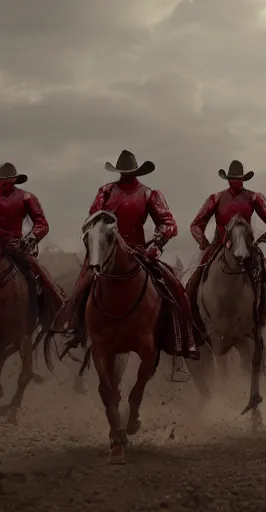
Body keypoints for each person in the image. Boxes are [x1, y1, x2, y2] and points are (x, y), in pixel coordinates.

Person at [55, 150, 199, 359]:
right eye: (124, 171)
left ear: (136, 172)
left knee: (176, 288)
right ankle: (75, 327)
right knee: (82, 285)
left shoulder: (149, 194)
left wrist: (158, 241)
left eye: (129, 171)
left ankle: (184, 339)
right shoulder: (105, 191)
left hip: (139, 252)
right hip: (105, 252)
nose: (126, 175)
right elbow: (93, 218)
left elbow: (168, 223)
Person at [186, 159, 266, 330]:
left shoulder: (254, 197)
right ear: (228, 179)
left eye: (237, 179)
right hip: (219, 245)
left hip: (246, 246)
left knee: (264, 265)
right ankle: (188, 308)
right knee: (197, 274)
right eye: (232, 179)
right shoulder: (216, 198)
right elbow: (196, 224)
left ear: (243, 179)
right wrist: (203, 242)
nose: (235, 182)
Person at [0, 162, 65, 321]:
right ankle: (60, 309)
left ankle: (60, 309)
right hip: (9, 246)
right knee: (37, 272)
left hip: (16, 246)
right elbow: (42, 223)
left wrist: (32, 237)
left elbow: (42, 223)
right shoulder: (26, 196)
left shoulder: (26, 197)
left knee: (36, 272)